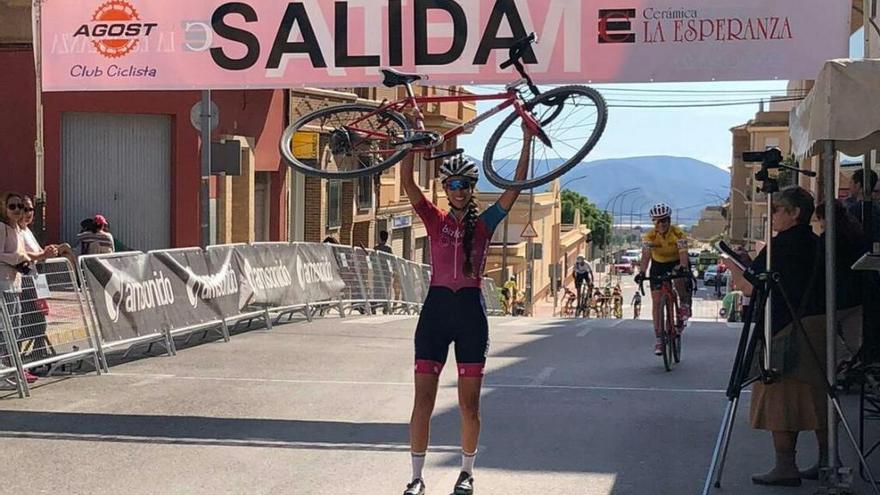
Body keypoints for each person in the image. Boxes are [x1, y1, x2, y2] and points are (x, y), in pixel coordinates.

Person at [399, 128, 533, 495]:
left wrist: (525, 141)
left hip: (470, 314)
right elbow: (408, 184)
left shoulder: (486, 223)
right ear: (445, 188)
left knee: (468, 406)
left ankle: (467, 472)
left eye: (465, 184)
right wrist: (411, 149)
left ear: (472, 189)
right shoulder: (434, 219)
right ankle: (415, 477)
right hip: (436, 312)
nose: (458, 190)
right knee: (422, 401)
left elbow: (516, 186)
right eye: (453, 183)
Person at [727, 186, 827, 487]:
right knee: (818, 397)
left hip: (784, 327)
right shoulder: (818, 243)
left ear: (794, 212)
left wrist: (734, 266)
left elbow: (748, 287)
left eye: (776, 209)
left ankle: (786, 466)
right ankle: (827, 462)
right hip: (818, 325)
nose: (772, 216)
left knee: (780, 400)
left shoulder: (780, 245)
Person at [635, 203, 690, 355]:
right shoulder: (649, 236)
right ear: (654, 222)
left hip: (676, 261)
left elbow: (683, 254)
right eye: (658, 221)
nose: (662, 224)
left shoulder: (678, 234)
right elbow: (646, 256)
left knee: (679, 278)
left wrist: (683, 267)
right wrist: (642, 272)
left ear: (669, 220)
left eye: (664, 220)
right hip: (658, 264)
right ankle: (659, 338)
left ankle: (684, 305)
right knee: (656, 301)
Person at [0, 192, 38, 386]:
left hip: (15, 284)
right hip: (3, 285)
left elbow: (23, 253)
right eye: (12, 206)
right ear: (5, 208)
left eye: (20, 207)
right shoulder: (2, 228)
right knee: (3, 331)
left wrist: (24, 259)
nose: (17, 210)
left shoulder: (17, 229)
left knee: (15, 330)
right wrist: (18, 259)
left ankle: (10, 370)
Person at [844, 169, 880, 241]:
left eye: (851, 182)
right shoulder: (877, 208)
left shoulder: (851, 210)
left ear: (858, 185)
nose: (849, 186)